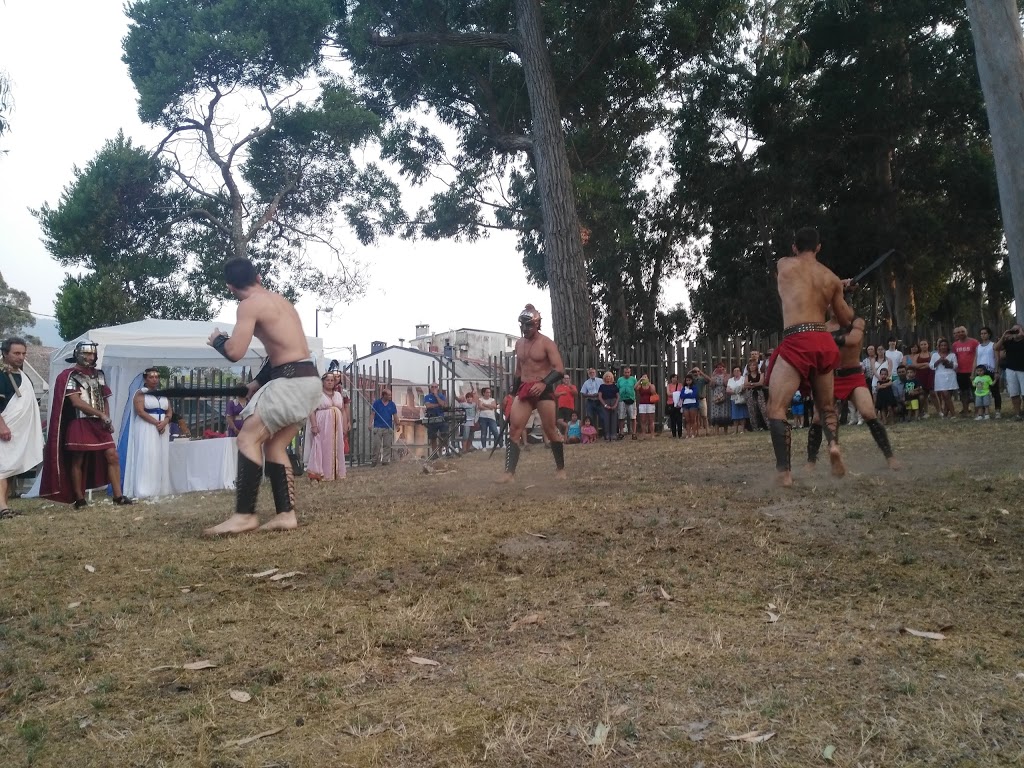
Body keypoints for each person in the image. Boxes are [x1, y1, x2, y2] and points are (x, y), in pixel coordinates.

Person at [203, 258, 322, 535]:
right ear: (257, 277)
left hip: (290, 384)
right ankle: (286, 515)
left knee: (247, 438)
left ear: (230, 287)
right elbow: (284, 351)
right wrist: (256, 384)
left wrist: (217, 340)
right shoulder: (281, 301)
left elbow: (235, 351)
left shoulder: (248, 305)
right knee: (274, 446)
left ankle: (244, 516)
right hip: (307, 380)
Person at [765, 227, 854, 485]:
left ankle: (785, 472)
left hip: (798, 338)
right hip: (823, 339)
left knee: (776, 408)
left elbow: (794, 283)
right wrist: (842, 291)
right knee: (826, 407)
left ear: (794, 247)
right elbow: (845, 319)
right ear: (819, 247)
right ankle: (833, 446)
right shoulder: (831, 277)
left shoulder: (784, 264)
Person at [40, 341, 133, 508]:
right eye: (87, 353)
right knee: (78, 459)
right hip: (80, 422)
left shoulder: (99, 375)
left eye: (93, 354)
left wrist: (106, 418)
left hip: (99, 424)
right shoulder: (69, 376)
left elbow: (104, 398)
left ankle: (118, 496)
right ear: (78, 354)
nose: (90, 357)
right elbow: (76, 402)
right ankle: (79, 498)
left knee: (112, 455)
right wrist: (101, 415)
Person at [807, 317, 898, 471]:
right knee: (817, 418)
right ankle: (811, 462)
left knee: (868, 413)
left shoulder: (856, 323)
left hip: (853, 375)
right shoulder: (822, 327)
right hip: (829, 376)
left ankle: (890, 457)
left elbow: (852, 340)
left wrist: (824, 338)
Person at [499, 304, 567, 481]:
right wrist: (512, 394)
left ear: (537, 324)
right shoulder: (519, 343)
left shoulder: (546, 343)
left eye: (528, 325)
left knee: (550, 430)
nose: (525, 328)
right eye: (522, 325)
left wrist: (544, 383)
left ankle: (560, 469)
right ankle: (509, 474)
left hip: (543, 388)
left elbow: (559, 369)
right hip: (524, 388)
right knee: (514, 430)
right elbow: (518, 371)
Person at [0, 337, 44, 518]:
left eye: (23, 353)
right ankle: (2, 507)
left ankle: (4, 506)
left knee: (11, 468)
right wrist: (2, 426)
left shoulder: (22, 376)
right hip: (6, 428)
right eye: (16, 353)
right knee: (3, 467)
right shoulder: (1, 374)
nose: (21, 357)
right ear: (4, 353)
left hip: (19, 431)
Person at [120, 367, 173, 498]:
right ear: (145, 379)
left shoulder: (163, 393)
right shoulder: (140, 393)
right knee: (148, 454)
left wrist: (165, 422)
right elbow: (140, 411)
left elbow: (169, 410)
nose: (154, 380)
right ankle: (145, 488)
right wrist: (156, 423)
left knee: (160, 455)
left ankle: (160, 487)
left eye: (156, 377)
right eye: (151, 377)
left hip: (163, 426)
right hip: (146, 426)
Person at [305, 373, 347, 481]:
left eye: (332, 380)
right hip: (323, 424)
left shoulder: (338, 395)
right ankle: (321, 473)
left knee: (337, 446)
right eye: (327, 380)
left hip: (337, 426)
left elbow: (343, 410)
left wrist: (345, 424)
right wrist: (314, 425)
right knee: (322, 447)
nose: (330, 382)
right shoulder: (318, 395)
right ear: (323, 382)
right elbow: (311, 410)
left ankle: (336, 473)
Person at [994, 324, 1024, 420]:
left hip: (1022, 370)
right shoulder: (1008, 341)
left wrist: (1021, 334)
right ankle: (1017, 414)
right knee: (1014, 393)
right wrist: (1004, 336)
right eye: (1013, 330)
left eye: (1017, 330)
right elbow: (996, 348)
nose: (1015, 332)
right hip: (1011, 369)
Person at [951, 326, 980, 416]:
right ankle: (965, 411)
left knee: (976, 391)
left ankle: (977, 411)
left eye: (963, 331)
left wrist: (976, 370)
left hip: (973, 371)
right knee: (963, 393)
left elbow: (978, 355)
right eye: (959, 332)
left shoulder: (974, 342)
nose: (961, 333)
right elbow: (954, 358)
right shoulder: (955, 345)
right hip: (960, 372)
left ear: (966, 332)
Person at [975, 327, 1001, 417]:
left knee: (995, 391)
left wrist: (996, 371)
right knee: (981, 391)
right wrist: (973, 373)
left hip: (991, 370)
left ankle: (997, 410)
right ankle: (983, 412)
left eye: (985, 333)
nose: (983, 335)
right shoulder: (978, 347)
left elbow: (997, 358)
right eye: (981, 334)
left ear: (989, 334)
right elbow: (976, 359)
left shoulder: (993, 345)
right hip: (980, 372)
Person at [370, 387, 400, 465]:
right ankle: (374, 460)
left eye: (390, 395)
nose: (390, 396)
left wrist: (397, 424)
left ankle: (385, 460)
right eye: (389, 395)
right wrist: (370, 424)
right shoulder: (377, 403)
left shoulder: (392, 404)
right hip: (378, 427)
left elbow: (395, 415)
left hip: (388, 428)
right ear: (384, 395)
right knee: (376, 445)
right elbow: (373, 414)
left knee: (387, 445)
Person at [930, 338, 958, 418]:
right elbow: (931, 366)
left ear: (947, 346)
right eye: (941, 345)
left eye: (945, 345)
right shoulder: (935, 355)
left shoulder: (952, 355)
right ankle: (953, 413)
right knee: (945, 394)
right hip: (940, 376)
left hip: (950, 376)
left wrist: (947, 361)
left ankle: (946, 412)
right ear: (939, 346)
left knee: (948, 396)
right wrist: (939, 361)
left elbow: (955, 365)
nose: (943, 347)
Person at [423, 382, 449, 457]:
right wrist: (438, 405)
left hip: (441, 418)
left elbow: (444, 405)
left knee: (444, 435)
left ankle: (446, 451)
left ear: (437, 388)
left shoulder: (441, 396)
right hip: (431, 418)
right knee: (433, 437)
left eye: (435, 387)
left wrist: (436, 396)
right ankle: (434, 454)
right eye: (432, 387)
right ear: (430, 388)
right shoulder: (427, 397)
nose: (434, 388)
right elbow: (428, 405)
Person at [743, 358, 768, 430]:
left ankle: (768, 425)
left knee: (763, 410)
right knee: (752, 411)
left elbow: (761, 383)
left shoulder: (761, 374)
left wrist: (751, 384)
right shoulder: (747, 376)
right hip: (750, 394)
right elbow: (745, 384)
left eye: (754, 365)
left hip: (759, 393)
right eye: (750, 365)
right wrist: (754, 384)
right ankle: (755, 427)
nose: (752, 367)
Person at [579, 368, 603, 437]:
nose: (592, 374)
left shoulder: (601, 381)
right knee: (590, 418)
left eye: (593, 372)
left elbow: (604, 390)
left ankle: (603, 433)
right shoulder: (586, 383)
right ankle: (591, 434)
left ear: (595, 373)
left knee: (602, 417)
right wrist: (590, 395)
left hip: (599, 401)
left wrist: (599, 394)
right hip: (590, 401)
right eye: (590, 373)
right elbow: (583, 394)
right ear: (588, 374)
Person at [616, 365, 638, 439]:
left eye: (628, 372)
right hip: (622, 400)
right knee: (621, 417)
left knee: (633, 417)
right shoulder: (620, 380)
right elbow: (617, 389)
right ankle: (621, 432)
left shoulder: (633, 379)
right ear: (623, 372)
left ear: (630, 372)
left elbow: (636, 388)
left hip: (631, 399)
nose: (627, 374)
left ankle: (634, 433)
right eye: (625, 372)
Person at [597, 371, 619, 441]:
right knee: (606, 419)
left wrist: (615, 405)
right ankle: (607, 434)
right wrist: (605, 405)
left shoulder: (614, 386)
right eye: (607, 376)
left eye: (609, 376)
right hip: (605, 402)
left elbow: (618, 396)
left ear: (611, 378)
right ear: (604, 378)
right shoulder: (602, 386)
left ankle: (613, 434)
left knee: (614, 419)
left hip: (613, 402)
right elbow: (600, 397)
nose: (608, 378)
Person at [726, 366, 747, 435]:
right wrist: (736, 391)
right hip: (733, 399)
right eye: (735, 371)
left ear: (740, 372)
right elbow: (727, 390)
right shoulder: (730, 380)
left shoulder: (743, 379)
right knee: (735, 415)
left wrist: (734, 390)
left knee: (742, 415)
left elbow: (743, 387)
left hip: (741, 398)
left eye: (738, 370)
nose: (736, 372)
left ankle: (742, 429)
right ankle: (735, 430)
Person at [635, 373, 656, 439]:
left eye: (645, 377)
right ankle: (643, 433)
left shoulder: (651, 385)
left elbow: (654, 392)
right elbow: (635, 388)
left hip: (650, 404)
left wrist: (649, 384)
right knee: (643, 420)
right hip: (642, 404)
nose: (644, 378)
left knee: (651, 419)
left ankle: (652, 434)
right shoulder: (640, 386)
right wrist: (640, 380)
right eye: (643, 377)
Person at [679, 373, 699, 438]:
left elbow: (694, 395)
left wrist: (686, 395)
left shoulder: (694, 387)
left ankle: (693, 433)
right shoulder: (684, 388)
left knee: (693, 419)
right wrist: (689, 394)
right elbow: (681, 396)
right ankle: (688, 433)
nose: (688, 382)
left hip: (693, 404)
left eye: (689, 380)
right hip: (685, 405)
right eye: (687, 380)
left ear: (692, 380)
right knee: (687, 420)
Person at [665, 373, 684, 438]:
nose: (674, 379)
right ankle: (674, 434)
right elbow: (668, 393)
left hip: (678, 404)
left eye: (676, 377)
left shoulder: (680, 385)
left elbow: (682, 393)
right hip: (671, 403)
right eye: (673, 377)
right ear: (671, 379)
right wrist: (676, 394)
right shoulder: (669, 385)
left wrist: (673, 394)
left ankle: (680, 434)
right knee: (672, 419)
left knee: (679, 419)